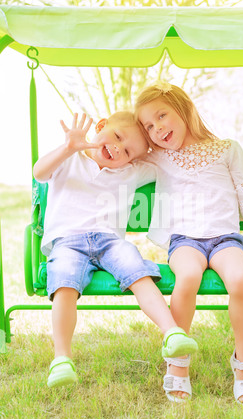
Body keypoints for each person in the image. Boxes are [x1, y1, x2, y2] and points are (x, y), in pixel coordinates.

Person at [33, 111, 198, 388]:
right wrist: (68, 146)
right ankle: (61, 359)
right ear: (100, 126)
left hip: (110, 241)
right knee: (64, 282)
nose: (118, 148)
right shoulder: (70, 159)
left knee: (136, 270)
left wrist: (152, 142)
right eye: (117, 137)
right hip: (67, 241)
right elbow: (39, 172)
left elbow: (167, 161)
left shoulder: (131, 171)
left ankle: (171, 332)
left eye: (128, 150)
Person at [135, 81, 243, 405]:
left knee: (239, 279)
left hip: (225, 239)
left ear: (184, 108)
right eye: (149, 126)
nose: (157, 129)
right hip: (185, 241)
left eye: (162, 116)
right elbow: (125, 156)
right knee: (188, 278)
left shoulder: (228, 149)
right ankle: (178, 363)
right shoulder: (159, 158)